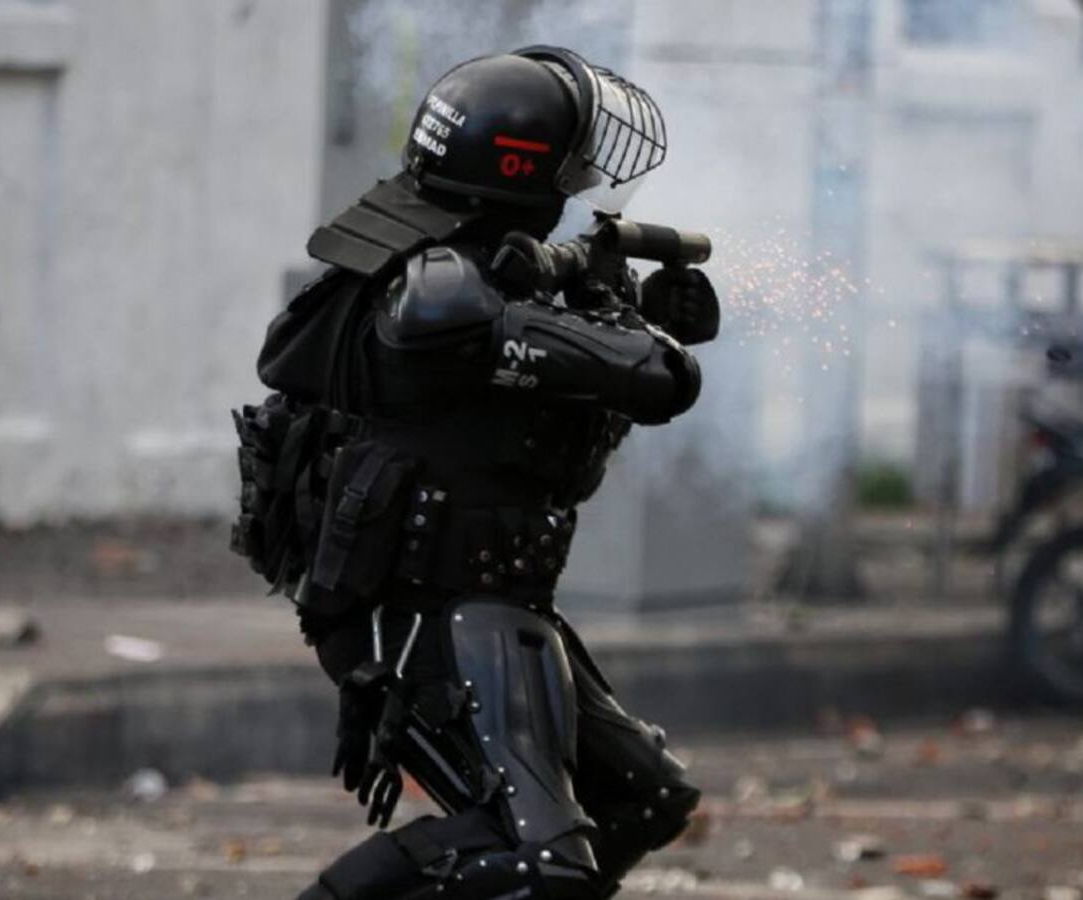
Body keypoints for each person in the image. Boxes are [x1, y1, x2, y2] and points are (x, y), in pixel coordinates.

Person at [234, 45, 720, 900]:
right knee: (538, 861)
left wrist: (621, 297)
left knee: (644, 798)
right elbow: (657, 378)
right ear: (517, 171)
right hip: (422, 615)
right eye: (566, 169)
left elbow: (538, 386)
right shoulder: (439, 297)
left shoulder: (462, 264)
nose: (578, 189)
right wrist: (617, 310)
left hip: (492, 599)